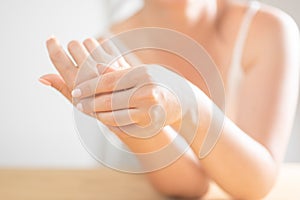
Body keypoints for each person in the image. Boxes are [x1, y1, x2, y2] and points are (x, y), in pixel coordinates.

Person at [39, 0, 300, 198]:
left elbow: (253, 183)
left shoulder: (269, 30)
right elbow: (190, 187)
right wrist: (124, 119)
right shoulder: (110, 49)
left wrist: (188, 102)